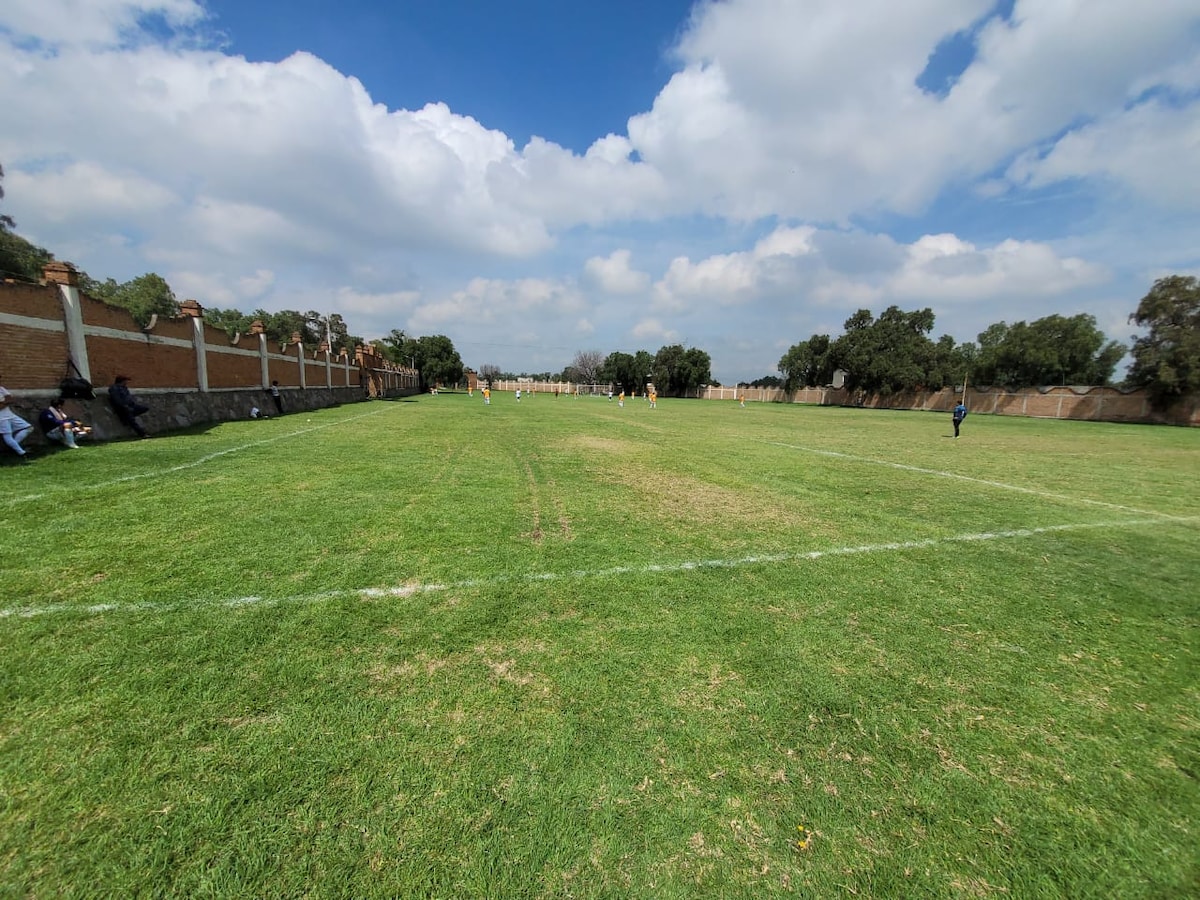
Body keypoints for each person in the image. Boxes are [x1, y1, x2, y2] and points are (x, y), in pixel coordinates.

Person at [0, 387, 34, 462]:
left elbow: (10, 399)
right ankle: (22, 453)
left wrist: (3, 402)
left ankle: (14, 446)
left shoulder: (1, 388)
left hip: (10, 414)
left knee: (28, 427)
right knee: (7, 435)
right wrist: (5, 402)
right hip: (1, 418)